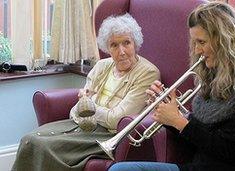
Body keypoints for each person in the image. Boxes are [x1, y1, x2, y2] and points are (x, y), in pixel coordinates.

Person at [109, 2, 235, 171]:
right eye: (194, 42)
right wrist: (170, 111)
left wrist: (180, 121)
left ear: (225, 41)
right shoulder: (215, 75)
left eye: (202, 42)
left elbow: (228, 151)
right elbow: (200, 138)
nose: (197, 50)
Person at [12, 13, 160, 171]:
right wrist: (85, 108)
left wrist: (89, 107)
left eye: (126, 43)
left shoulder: (147, 73)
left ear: (135, 44)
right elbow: (75, 111)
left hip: (107, 134)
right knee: (29, 139)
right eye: (114, 45)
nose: (121, 51)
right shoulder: (102, 66)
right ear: (107, 48)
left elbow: (117, 119)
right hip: (82, 125)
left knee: (43, 145)